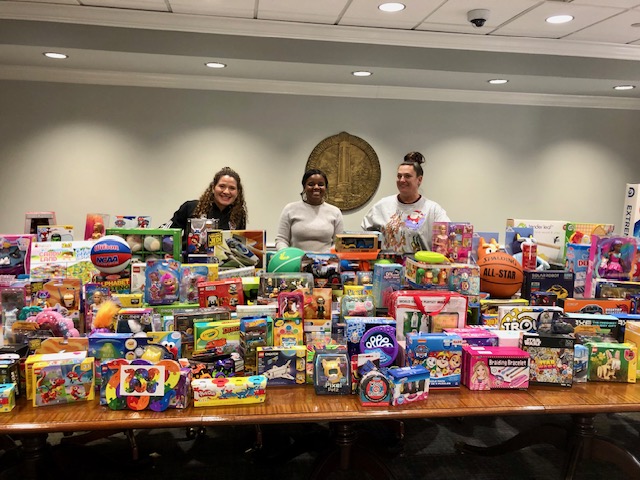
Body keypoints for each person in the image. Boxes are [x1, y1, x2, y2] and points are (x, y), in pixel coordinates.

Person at [361, 151, 449, 252]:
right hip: (386, 265)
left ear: (419, 180)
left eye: (407, 176)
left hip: (421, 265)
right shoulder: (382, 206)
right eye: (399, 176)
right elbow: (367, 234)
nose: (402, 180)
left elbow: (447, 236)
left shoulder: (433, 210)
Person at [163, 167, 248, 253]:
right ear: (213, 187)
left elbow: (239, 247)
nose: (226, 191)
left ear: (238, 192)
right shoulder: (190, 207)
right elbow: (166, 234)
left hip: (224, 265)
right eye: (222, 186)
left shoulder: (239, 215)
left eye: (232, 188)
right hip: (189, 264)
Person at [275, 169, 343, 253]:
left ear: (326, 188)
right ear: (304, 187)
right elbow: (282, 240)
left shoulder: (335, 212)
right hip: (296, 262)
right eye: (311, 184)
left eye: (321, 184)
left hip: (325, 262)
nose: (316, 187)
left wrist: (323, 257)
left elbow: (338, 243)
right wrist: (286, 255)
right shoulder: (290, 209)